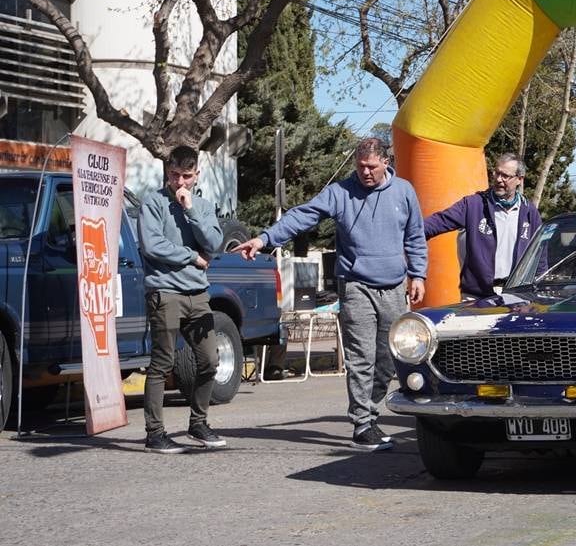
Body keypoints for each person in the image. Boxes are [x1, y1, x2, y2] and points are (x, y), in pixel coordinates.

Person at [233, 138, 427, 451]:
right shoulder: (340, 193)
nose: (365, 172)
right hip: (355, 285)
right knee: (360, 356)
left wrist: (418, 273)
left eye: (372, 167)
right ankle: (363, 424)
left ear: (386, 163)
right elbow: (302, 215)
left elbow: (416, 236)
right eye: (361, 166)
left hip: (393, 286)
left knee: (391, 357)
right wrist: (265, 238)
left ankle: (371, 411)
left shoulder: (404, 192)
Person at [138, 146, 225, 454]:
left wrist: (190, 210)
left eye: (186, 176)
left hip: (198, 294)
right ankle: (155, 433)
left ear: (196, 175)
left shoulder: (203, 205)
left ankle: (198, 424)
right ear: (167, 172)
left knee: (210, 360)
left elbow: (214, 243)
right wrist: (191, 256)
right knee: (163, 362)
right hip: (165, 292)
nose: (179, 182)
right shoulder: (154, 202)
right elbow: (152, 245)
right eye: (174, 175)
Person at [423, 153, 541, 300]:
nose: (498, 179)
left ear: (519, 179)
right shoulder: (473, 204)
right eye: (497, 173)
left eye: (505, 176)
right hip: (476, 296)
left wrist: (540, 292)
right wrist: (405, 232)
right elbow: (438, 222)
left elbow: (540, 257)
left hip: (516, 296)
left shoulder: (530, 212)